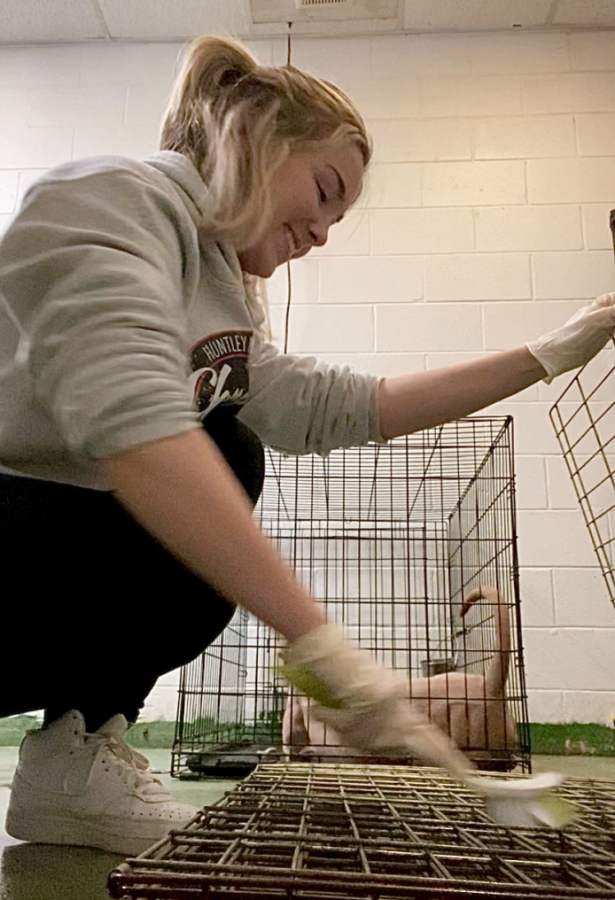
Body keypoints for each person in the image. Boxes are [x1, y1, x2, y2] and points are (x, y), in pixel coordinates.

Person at [0, 34, 613, 857]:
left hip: (38, 554)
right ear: (253, 131)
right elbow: (129, 418)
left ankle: (71, 760)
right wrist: (323, 643)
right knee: (218, 451)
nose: (322, 232)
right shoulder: (114, 196)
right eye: (325, 192)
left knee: (230, 444)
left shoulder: (224, 302)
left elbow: (347, 406)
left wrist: (546, 355)